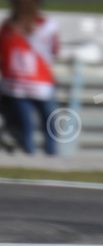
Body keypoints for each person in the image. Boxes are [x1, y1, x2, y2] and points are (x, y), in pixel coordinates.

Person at [0, 0, 59, 155]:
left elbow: (54, 49)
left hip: (36, 84)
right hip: (21, 86)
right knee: (31, 123)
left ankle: (43, 155)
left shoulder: (45, 26)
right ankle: (33, 156)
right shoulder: (8, 28)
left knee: (44, 123)